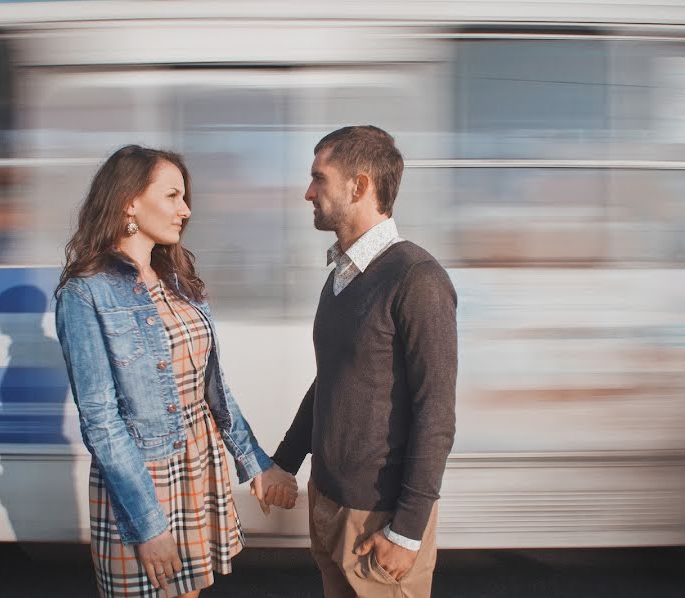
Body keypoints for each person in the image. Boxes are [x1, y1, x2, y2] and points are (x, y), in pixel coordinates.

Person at [55, 145, 297, 598]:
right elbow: (102, 423)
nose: (185, 211)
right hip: (142, 478)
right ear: (129, 201)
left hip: (197, 464)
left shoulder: (178, 280)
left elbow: (213, 389)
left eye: (185, 199)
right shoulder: (85, 294)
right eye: (172, 196)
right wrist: (148, 527)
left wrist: (255, 464)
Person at [268, 126, 458, 597]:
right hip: (329, 502)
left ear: (360, 185)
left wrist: (407, 531)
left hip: (379, 518)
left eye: (319, 178)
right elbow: (332, 379)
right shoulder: (342, 275)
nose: (308, 192)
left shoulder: (417, 279)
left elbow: (436, 414)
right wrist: (286, 463)